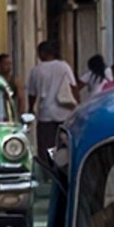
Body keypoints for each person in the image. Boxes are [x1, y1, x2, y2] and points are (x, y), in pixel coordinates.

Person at [25, 38, 77, 182]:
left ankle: (48, 176)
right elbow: (73, 87)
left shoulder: (37, 70)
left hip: (45, 114)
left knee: (46, 146)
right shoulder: (64, 67)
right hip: (64, 113)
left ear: (42, 53)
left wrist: (30, 109)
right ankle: (65, 172)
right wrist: (77, 105)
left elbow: (32, 93)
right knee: (64, 145)